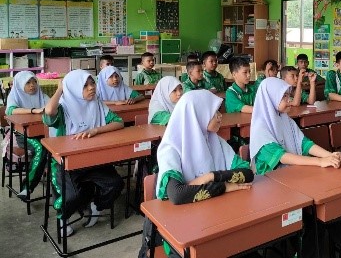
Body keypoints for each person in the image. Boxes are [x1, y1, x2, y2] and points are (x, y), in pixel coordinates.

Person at [250, 78, 341, 258]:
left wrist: (330, 155)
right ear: (270, 98)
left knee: (328, 210)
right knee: (320, 217)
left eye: (288, 95)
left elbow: (304, 144)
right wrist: (319, 162)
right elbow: (281, 156)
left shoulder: (284, 119)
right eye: (284, 97)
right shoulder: (261, 127)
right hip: (273, 191)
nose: (289, 100)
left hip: (295, 180)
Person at [140, 89, 253, 258]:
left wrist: (213, 176)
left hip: (218, 216)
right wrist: (222, 186)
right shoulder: (171, 149)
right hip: (182, 229)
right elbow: (177, 195)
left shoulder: (216, 141)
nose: (220, 116)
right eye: (215, 112)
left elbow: (247, 173)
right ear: (198, 115)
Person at [43, 70, 124, 235]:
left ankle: (96, 206)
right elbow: (49, 111)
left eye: (92, 83)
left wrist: (95, 130)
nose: (91, 88)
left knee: (115, 184)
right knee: (72, 197)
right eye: (85, 85)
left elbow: (119, 122)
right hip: (66, 163)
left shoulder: (97, 103)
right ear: (72, 88)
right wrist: (61, 88)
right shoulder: (63, 108)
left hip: (93, 159)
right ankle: (63, 218)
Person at [5, 71, 49, 197]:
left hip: (43, 132)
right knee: (41, 148)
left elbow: (52, 105)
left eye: (34, 81)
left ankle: (57, 184)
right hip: (23, 135)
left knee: (55, 147)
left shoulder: (40, 94)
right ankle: (27, 187)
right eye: (28, 82)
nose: (32, 85)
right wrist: (33, 110)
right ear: (20, 84)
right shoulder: (15, 95)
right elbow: (10, 110)